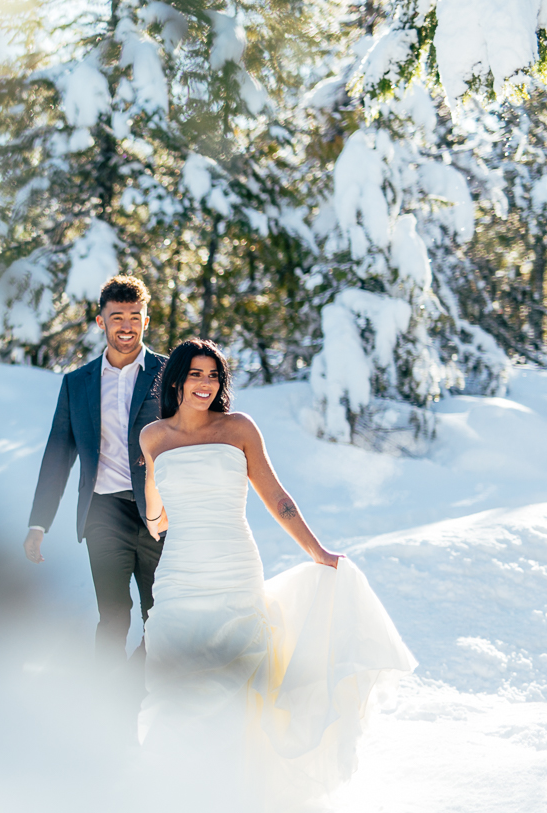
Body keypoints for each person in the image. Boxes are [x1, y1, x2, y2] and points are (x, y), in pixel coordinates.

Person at [135, 338, 416, 810]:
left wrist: (317, 550)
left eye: (214, 376)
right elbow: (155, 516)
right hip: (181, 572)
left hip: (233, 565)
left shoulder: (239, 428)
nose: (205, 384)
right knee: (175, 681)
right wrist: (159, 506)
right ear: (177, 380)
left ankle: (236, 793)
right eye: (196, 374)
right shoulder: (153, 437)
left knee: (238, 679)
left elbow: (278, 499)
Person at [23, 275, 168, 673]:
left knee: (162, 613)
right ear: (101, 321)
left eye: (135, 316)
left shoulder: (168, 374)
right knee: (114, 614)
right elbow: (57, 454)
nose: (126, 325)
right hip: (102, 512)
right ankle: (106, 697)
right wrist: (39, 523)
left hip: (159, 514)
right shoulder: (77, 384)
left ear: (146, 320)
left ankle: (140, 687)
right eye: (117, 316)